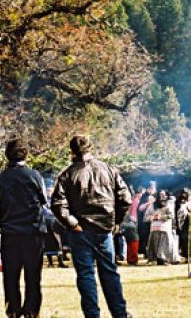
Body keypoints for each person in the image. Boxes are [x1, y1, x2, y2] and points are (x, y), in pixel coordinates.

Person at [51, 135, 133, 318]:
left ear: (71, 151)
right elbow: (125, 199)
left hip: (80, 231)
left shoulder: (67, 175)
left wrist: (73, 224)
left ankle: (92, 315)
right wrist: (115, 222)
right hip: (104, 230)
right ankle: (120, 313)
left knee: (86, 275)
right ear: (90, 148)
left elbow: (57, 204)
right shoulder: (108, 170)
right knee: (110, 273)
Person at [0, 138, 49, 318]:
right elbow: (43, 200)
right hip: (32, 231)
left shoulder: (1, 178)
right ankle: (32, 310)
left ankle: (13, 310)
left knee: (11, 275)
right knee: (33, 274)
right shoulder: (34, 175)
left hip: (10, 232)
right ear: (26, 154)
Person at [145, 192, 176, 265]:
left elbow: (171, 215)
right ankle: (153, 259)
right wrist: (153, 217)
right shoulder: (152, 205)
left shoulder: (169, 205)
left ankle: (164, 260)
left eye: (163, 195)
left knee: (164, 246)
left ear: (166, 196)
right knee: (154, 246)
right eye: (160, 195)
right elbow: (146, 217)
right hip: (154, 229)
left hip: (165, 228)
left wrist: (161, 217)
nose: (162, 197)